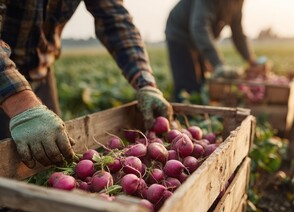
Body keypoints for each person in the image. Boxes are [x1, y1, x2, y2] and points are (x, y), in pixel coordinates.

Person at [0, 0, 173, 168]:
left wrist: (146, 83)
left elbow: (115, 20)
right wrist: (22, 104)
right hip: (5, 72)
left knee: (51, 158)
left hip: (39, 70)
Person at [165, 0, 267, 102]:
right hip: (179, 34)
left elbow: (237, 32)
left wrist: (251, 59)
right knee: (187, 87)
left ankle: (198, 110)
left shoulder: (238, 2)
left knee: (203, 83)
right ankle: (181, 112)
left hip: (198, 38)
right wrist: (219, 64)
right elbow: (200, 27)